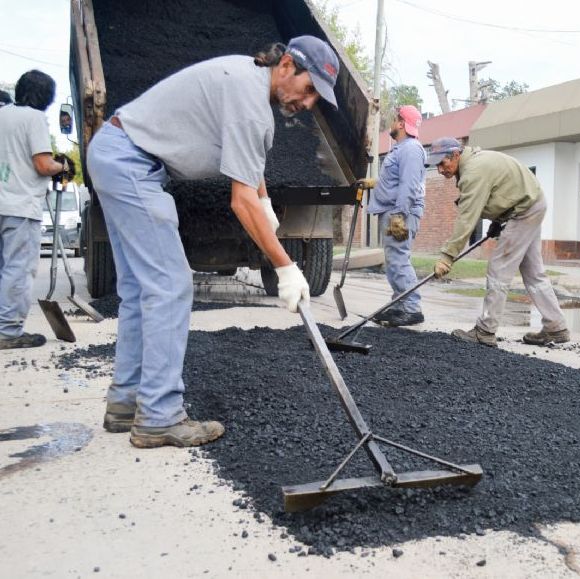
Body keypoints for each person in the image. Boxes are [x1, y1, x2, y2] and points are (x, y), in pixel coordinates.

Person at [86, 36, 340, 448]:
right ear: (288, 65)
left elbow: (250, 173)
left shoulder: (249, 82)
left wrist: (265, 199)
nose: (308, 103)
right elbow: (240, 200)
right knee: (171, 285)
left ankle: (126, 403)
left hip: (117, 153)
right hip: (131, 162)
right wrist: (286, 266)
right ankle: (159, 416)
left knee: (138, 290)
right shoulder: (250, 102)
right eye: (310, 89)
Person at [428, 137, 570, 347]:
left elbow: (467, 218)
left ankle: (485, 330)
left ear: (456, 155)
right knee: (533, 271)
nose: (440, 170)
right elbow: (499, 191)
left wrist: (447, 256)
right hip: (531, 204)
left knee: (498, 269)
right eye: (436, 165)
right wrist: (497, 221)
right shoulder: (473, 164)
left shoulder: (473, 172)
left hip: (524, 211)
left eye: (442, 163)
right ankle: (556, 327)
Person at [0, 70, 72, 350]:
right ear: (47, 97)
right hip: (20, 205)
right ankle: (7, 331)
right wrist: (63, 166)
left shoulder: (3, 114)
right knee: (18, 269)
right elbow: (42, 165)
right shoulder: (34, 119)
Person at [366, 105, 426, 327]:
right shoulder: (401, 148)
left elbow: (409, 185)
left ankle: (411, 308)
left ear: (401, 123)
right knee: (394, 261)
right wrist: (374, 184)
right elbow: (396, 181)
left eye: (394, 120)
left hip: (400, 213)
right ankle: (400, 305)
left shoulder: (410, 149)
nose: (391, 123)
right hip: (394, 210)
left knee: (399, 259)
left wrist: (399, 215)